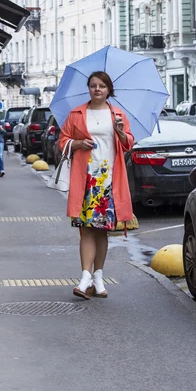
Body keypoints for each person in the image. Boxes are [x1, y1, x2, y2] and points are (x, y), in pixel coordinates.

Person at [59, 71, 134, 300]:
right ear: (88, 89)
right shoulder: (77, 113)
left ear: (109, 89)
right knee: (86, 229)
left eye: (102, 86)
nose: (97, 89)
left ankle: (98, 277)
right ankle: (84, 277)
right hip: (86, 179)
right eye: (93, 86)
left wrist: (121, 133)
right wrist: (78, 143)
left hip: (109, 179)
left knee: (102, 231)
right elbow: (62, 141)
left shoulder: (118, 114)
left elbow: (129, 144)